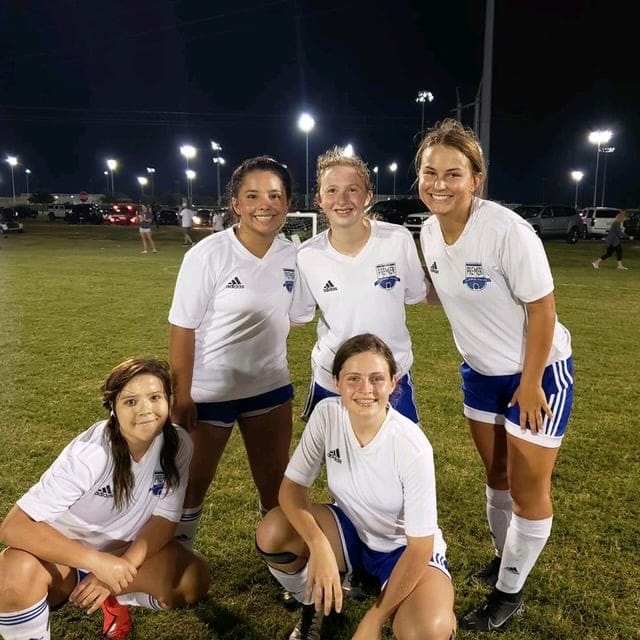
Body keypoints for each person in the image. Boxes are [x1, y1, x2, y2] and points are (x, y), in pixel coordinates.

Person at [415, 118, 574, 633]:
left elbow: (543, 311)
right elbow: (447, 288)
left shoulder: (508, 230)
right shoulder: (427, 231)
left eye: (453, 174)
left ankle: (510, 592)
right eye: (430, 172)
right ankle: (505, 558)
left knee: (530, 490)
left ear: (476, 178)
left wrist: (529, 384)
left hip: (538, 373)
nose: (439, 183)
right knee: (497, 476)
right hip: (480, 374)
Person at [256, 333, 456, 640]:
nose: (365, 389)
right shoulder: (327, 414)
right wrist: (318, 545)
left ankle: (389, 601)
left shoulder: (411, 446)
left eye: (377, 378)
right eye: (353, 378)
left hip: (402, 550)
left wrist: (374, 620)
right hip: (350, 534)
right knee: (274, 531)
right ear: (336, 382)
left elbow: (420, 547)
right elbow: (291, 490)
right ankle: (315, 604)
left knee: (429, 629)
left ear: (393, 382)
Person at [0, 357, 210, 640]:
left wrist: (119, 571)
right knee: (9, 579)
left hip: (120, 554)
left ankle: (115, 600)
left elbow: (165, 518)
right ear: (113, 408)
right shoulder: (91, 455)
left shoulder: (178, 444)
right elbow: (14, 527)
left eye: (155, 397)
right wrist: (97, 563)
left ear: (169, 401)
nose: (146, 409)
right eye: (131, 401)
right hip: (65, 558)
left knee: (192, 579)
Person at [168, 156, 297, 550]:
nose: (265, 203)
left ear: (288, 204)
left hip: (270, 387)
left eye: (275, 195)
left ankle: (281, 565)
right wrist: (182, 394)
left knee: (275, 486)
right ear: (236, 204)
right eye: (253, 195)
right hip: (210, 393)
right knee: (191, 485)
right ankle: (179, 556)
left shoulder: (294, 255)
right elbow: (182, 327)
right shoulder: (207, 255)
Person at [291, 146, 427, 424]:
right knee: (337, 460)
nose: (342, 199)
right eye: (331, 190)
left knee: (396, 462)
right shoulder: (307, 255)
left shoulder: (398, 240)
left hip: (392, 378)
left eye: (352, 189)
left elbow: (416, 294)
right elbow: (299, 315)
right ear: (319, 199)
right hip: (333, 378)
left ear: (368, 196)